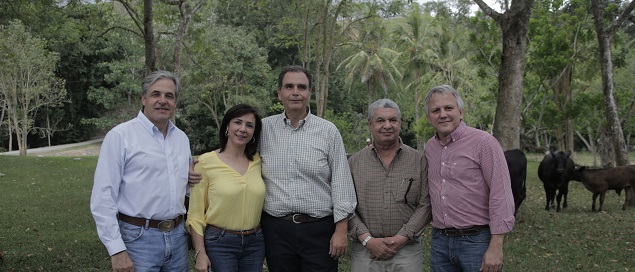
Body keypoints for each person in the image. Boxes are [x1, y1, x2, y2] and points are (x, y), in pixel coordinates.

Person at [90, 70, 192, 272]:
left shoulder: (182, 139)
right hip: (137, 240)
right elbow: (103, 197)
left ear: (175, 103)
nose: (162, 101)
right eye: (156, 94)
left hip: (178, 238)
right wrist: (116, 250)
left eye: (169, 96)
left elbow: (181, 188)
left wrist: (192, 180)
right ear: (144, 99)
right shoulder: (120, 136)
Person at [259, 65, 357, 272]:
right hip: (277, 230)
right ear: (279, 93)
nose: (295, 92)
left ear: (309, 93)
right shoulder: (262, 129)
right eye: (289, 86)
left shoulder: (328, 131)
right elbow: (236, 159)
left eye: (301, 87)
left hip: (319, 230)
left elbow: (341, 181)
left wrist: (341, 230)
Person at [423, 84, 515, 272]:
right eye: (436, 110)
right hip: (440, 241)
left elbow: (501, 193)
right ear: (428, 117)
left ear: (461, 112)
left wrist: (496, 245)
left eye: (448, 108)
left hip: (477, 241)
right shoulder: (429, 148)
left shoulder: (484, 143)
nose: (443, 114)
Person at [348, 98, 432, 272]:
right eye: (380, 120)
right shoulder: (354, 163)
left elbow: (426, 203)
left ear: (400, 123)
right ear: (370, 124)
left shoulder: (419, 160)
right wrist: (367, 239)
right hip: (365, 251)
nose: (387, 125)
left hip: (407, 250)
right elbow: (346, 204)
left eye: (393, 120)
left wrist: (402, 237)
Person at [186, 104, 265, 272]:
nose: (243, 129)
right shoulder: (205, 163)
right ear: (227, 127)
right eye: (238, 122)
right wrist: (200, 253)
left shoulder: (258, 161)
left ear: (253, 133)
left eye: (249, 125)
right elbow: (195, 214)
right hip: (220, 243)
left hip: (255, 243)